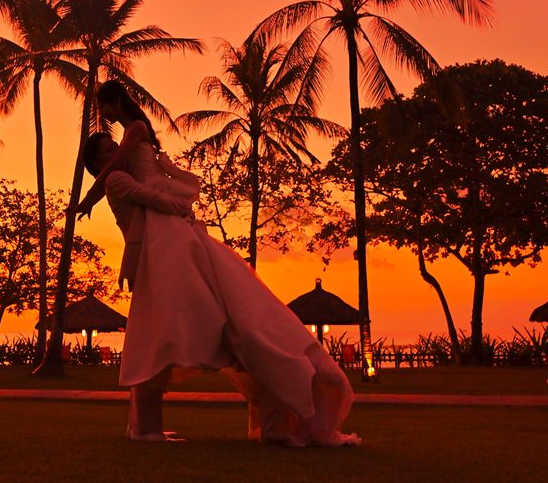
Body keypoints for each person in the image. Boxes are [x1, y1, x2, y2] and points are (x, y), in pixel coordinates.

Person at [75, 80, 360, 447]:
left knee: (209, 300)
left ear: (116, 102)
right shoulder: (119, 173)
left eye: (109, 110)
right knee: (170, 317)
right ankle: (146, 422)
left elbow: (119, 165)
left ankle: (151, 420)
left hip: (169, 226)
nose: (111, 125)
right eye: (108, 146)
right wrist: (92, 199)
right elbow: (123, 177)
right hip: (163, 228)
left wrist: (90, 199)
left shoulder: (135, 131)